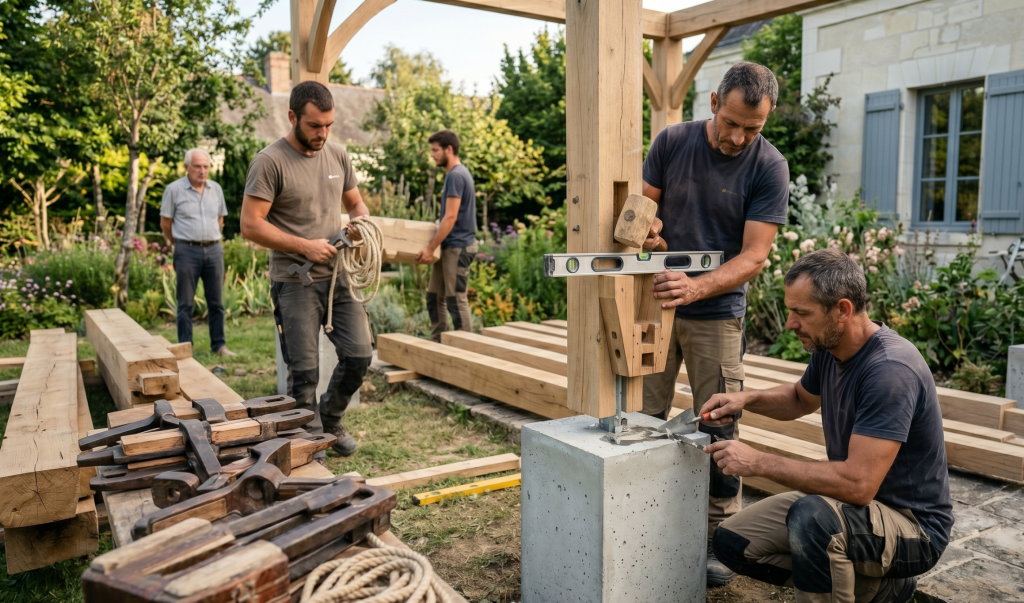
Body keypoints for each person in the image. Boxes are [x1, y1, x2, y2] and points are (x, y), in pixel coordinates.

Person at [701, 249, 952, 603]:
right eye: (790, 311)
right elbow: (800, 398)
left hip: (913, 528)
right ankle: (883, 589)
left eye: (802, 313)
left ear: (843, 310)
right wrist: (746, 399)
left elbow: (858, 485)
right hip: (852, 509)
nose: (790, 323)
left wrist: (758, 462)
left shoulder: (890, 371)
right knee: (733, 542)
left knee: (814, 519)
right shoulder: (830, 349)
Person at [640, 61, 790, 584]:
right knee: (643, 415)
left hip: (718, 315)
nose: (738, 137)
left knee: (718, 423)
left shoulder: (769, 166)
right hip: (656, 306)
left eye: (753, 128)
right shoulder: (672, 142)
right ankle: (641, 519)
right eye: (731, 123)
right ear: (713, 103)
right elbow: (642, 213)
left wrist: (697, 287)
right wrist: (649, 232)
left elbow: (754, 256)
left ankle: (718, 536)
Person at [240, 81, 373, 459]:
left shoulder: (338, 156)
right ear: (293, 117)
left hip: (338, 276)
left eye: (328, 125)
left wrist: (360, 223)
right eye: (315, 125)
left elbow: (356, 204)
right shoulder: (270, 162)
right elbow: (250, 225)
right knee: (304, 374)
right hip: (294, 280)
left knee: (360, 355)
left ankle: (329, 419)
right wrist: (305, 245)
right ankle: (310, 443)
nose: (323, 134)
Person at [160, 148, 235, 356]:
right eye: (197, 166)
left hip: (214, 250)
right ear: (187, 167)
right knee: (185, 303)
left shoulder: (216, 189)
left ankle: (219, 345)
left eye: (205, 167)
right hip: (186, 251)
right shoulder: (174, 190)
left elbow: (220, 219)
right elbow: (166, 223)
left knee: (216, 302)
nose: (202, 171)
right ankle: (186, 348)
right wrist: (179, 244)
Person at [416, 129, 478, 342]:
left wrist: (430, 248)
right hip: (448, 246)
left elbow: (450, 217)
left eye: (435, 150)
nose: (432, 155)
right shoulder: (455, 175)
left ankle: (466, 349)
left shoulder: (456, 176)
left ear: (448, 149)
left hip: (458, 247)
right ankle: (439, 343)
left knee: (455, 300)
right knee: (434, 297)